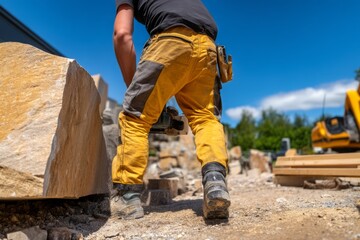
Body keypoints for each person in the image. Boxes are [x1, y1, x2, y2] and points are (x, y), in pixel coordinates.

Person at [111, 0, 231, 220]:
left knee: (134, 118)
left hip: (170, 41)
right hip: (208, 49)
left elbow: (122, 36)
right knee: (206, 119)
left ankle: (126, 196)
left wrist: (135, 95)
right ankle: (215, 184)